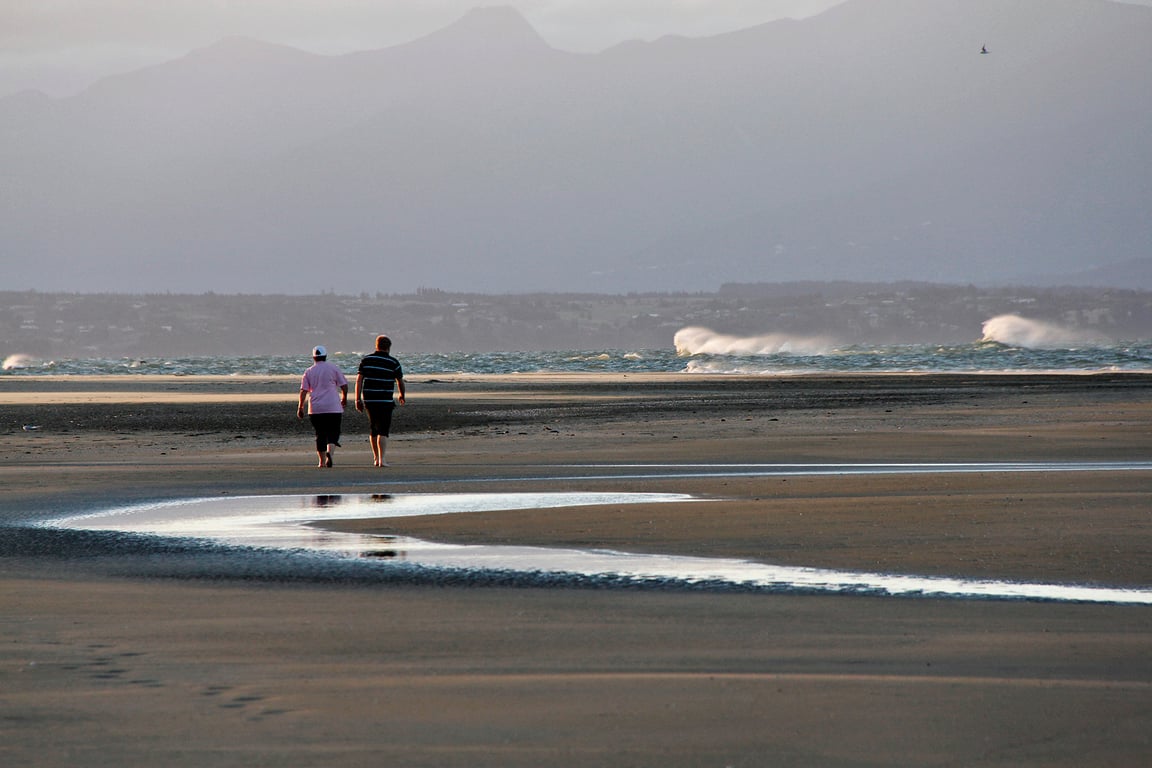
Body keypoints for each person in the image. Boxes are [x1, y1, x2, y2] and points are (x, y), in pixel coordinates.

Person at [355, 335, 406, 467]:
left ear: (376, 345)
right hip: (385, 400)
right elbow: (400, 381)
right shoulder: (394, 362)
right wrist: (402, 395)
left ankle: (376, 457)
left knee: (374, 428)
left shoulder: (366, 360)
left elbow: (359, 380)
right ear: (389, 347)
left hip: (370, 399)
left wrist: (357, 399)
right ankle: (382, 459)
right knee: (383, 429)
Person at [297, 345, 348, 468]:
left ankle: (321, 461)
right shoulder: (333, 368)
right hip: (333, 406)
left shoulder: (308, 371)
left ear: (314, 357)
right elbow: (344, 385)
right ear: (325, 356)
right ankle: (330, 453)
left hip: (316, 408)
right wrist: (344, 397)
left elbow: (303, 391)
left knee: (320, 434)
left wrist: (300, 407)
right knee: (333, 431)